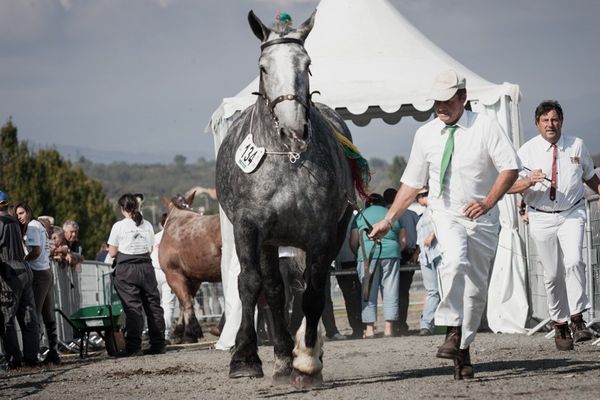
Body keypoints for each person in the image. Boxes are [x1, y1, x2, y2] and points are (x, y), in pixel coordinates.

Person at [369, 70, 519, 380]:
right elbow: (411, 184)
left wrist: (489, 201)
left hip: (483, 218)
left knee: (476, 293)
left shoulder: (485, 127)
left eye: (447, 101)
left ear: (463, 98)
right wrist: (388, 220)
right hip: (446, 213)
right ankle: (451, 330)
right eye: (436, 102)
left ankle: (462, 347)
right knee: (453, 261)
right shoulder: (425, 135)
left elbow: (510, 168)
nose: (441, 107)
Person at [508, 100, 600, 351]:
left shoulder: (577, 145)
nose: (551, 124)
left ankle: (578, 319)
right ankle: (559, 324)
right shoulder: (526, 151)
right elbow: (509, 186)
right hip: (541, 216)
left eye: (555, 119)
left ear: (562, 121)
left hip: (572, 212)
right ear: (537, 123)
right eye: (545, 120)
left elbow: (590, 177)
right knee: (552, 273)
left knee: (574, 261)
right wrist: (528, 180)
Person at [108, 193, 166, 356]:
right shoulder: (147, 224)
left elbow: (112, 252)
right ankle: (158, 343)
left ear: (122, 209)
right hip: (146, 267)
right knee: (153, 306)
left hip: (127, 269)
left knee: (133, 308)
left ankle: (134, 346)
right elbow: (149, 249)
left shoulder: (118, 226)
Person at [351, 193, 406, 338]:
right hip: (391, 254)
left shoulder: (361, 216)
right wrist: (396, 251)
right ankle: (389, 328)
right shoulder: (390, 215)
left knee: (368, 290)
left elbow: (353, 240)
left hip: (367, 255)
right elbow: (403, 239)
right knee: (390, 289)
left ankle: (369, 329)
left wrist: (358, 254)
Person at [14, 201, 61, 365]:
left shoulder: (32, 227)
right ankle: (53, 352)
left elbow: (36, 251)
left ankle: (35, 353)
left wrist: (21, 260)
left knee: (34, 316)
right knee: (47, 314)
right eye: (17, 214)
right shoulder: (38, 225)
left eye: (21, 213)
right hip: (45, 271)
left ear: (28, 211)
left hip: (39, 274)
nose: (19, 217)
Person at [0, 191, 40, 369]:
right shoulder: (14, 221)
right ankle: (31, 357)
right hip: (24, 269)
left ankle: (14, 359)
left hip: (9, 273)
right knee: (28, 317)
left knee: (6, 319)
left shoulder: (1, 223)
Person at [385, 187, 419, 336]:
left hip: (389, 253)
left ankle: (391, 325)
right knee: (404, 291)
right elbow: (421, 235)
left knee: (389, 290)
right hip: (409, 254)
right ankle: (401, 324)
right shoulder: (412, 214)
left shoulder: (385, 215)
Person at [414, 187, 441, 336]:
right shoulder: (424, 213)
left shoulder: (436, 208)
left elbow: (442, 222)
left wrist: (432, 235)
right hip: (425, 256)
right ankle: (427, 323)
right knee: (433, 291)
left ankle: (428, 323)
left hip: (437, 253)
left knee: (435, 291)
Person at [333, 218, 364, 339]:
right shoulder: (356, 218)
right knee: (359, 296)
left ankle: (357, 328)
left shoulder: (335, 218)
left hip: (345, 260)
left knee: (349, 298)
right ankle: (362, 327)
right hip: (354, 259)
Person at [150, 212, 177, 343]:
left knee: (156, 305)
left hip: (154, 272)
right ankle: (165, 334)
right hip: (168, 273)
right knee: (168, 305)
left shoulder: (155, 237)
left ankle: (156, 332)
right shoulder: (174, 238)